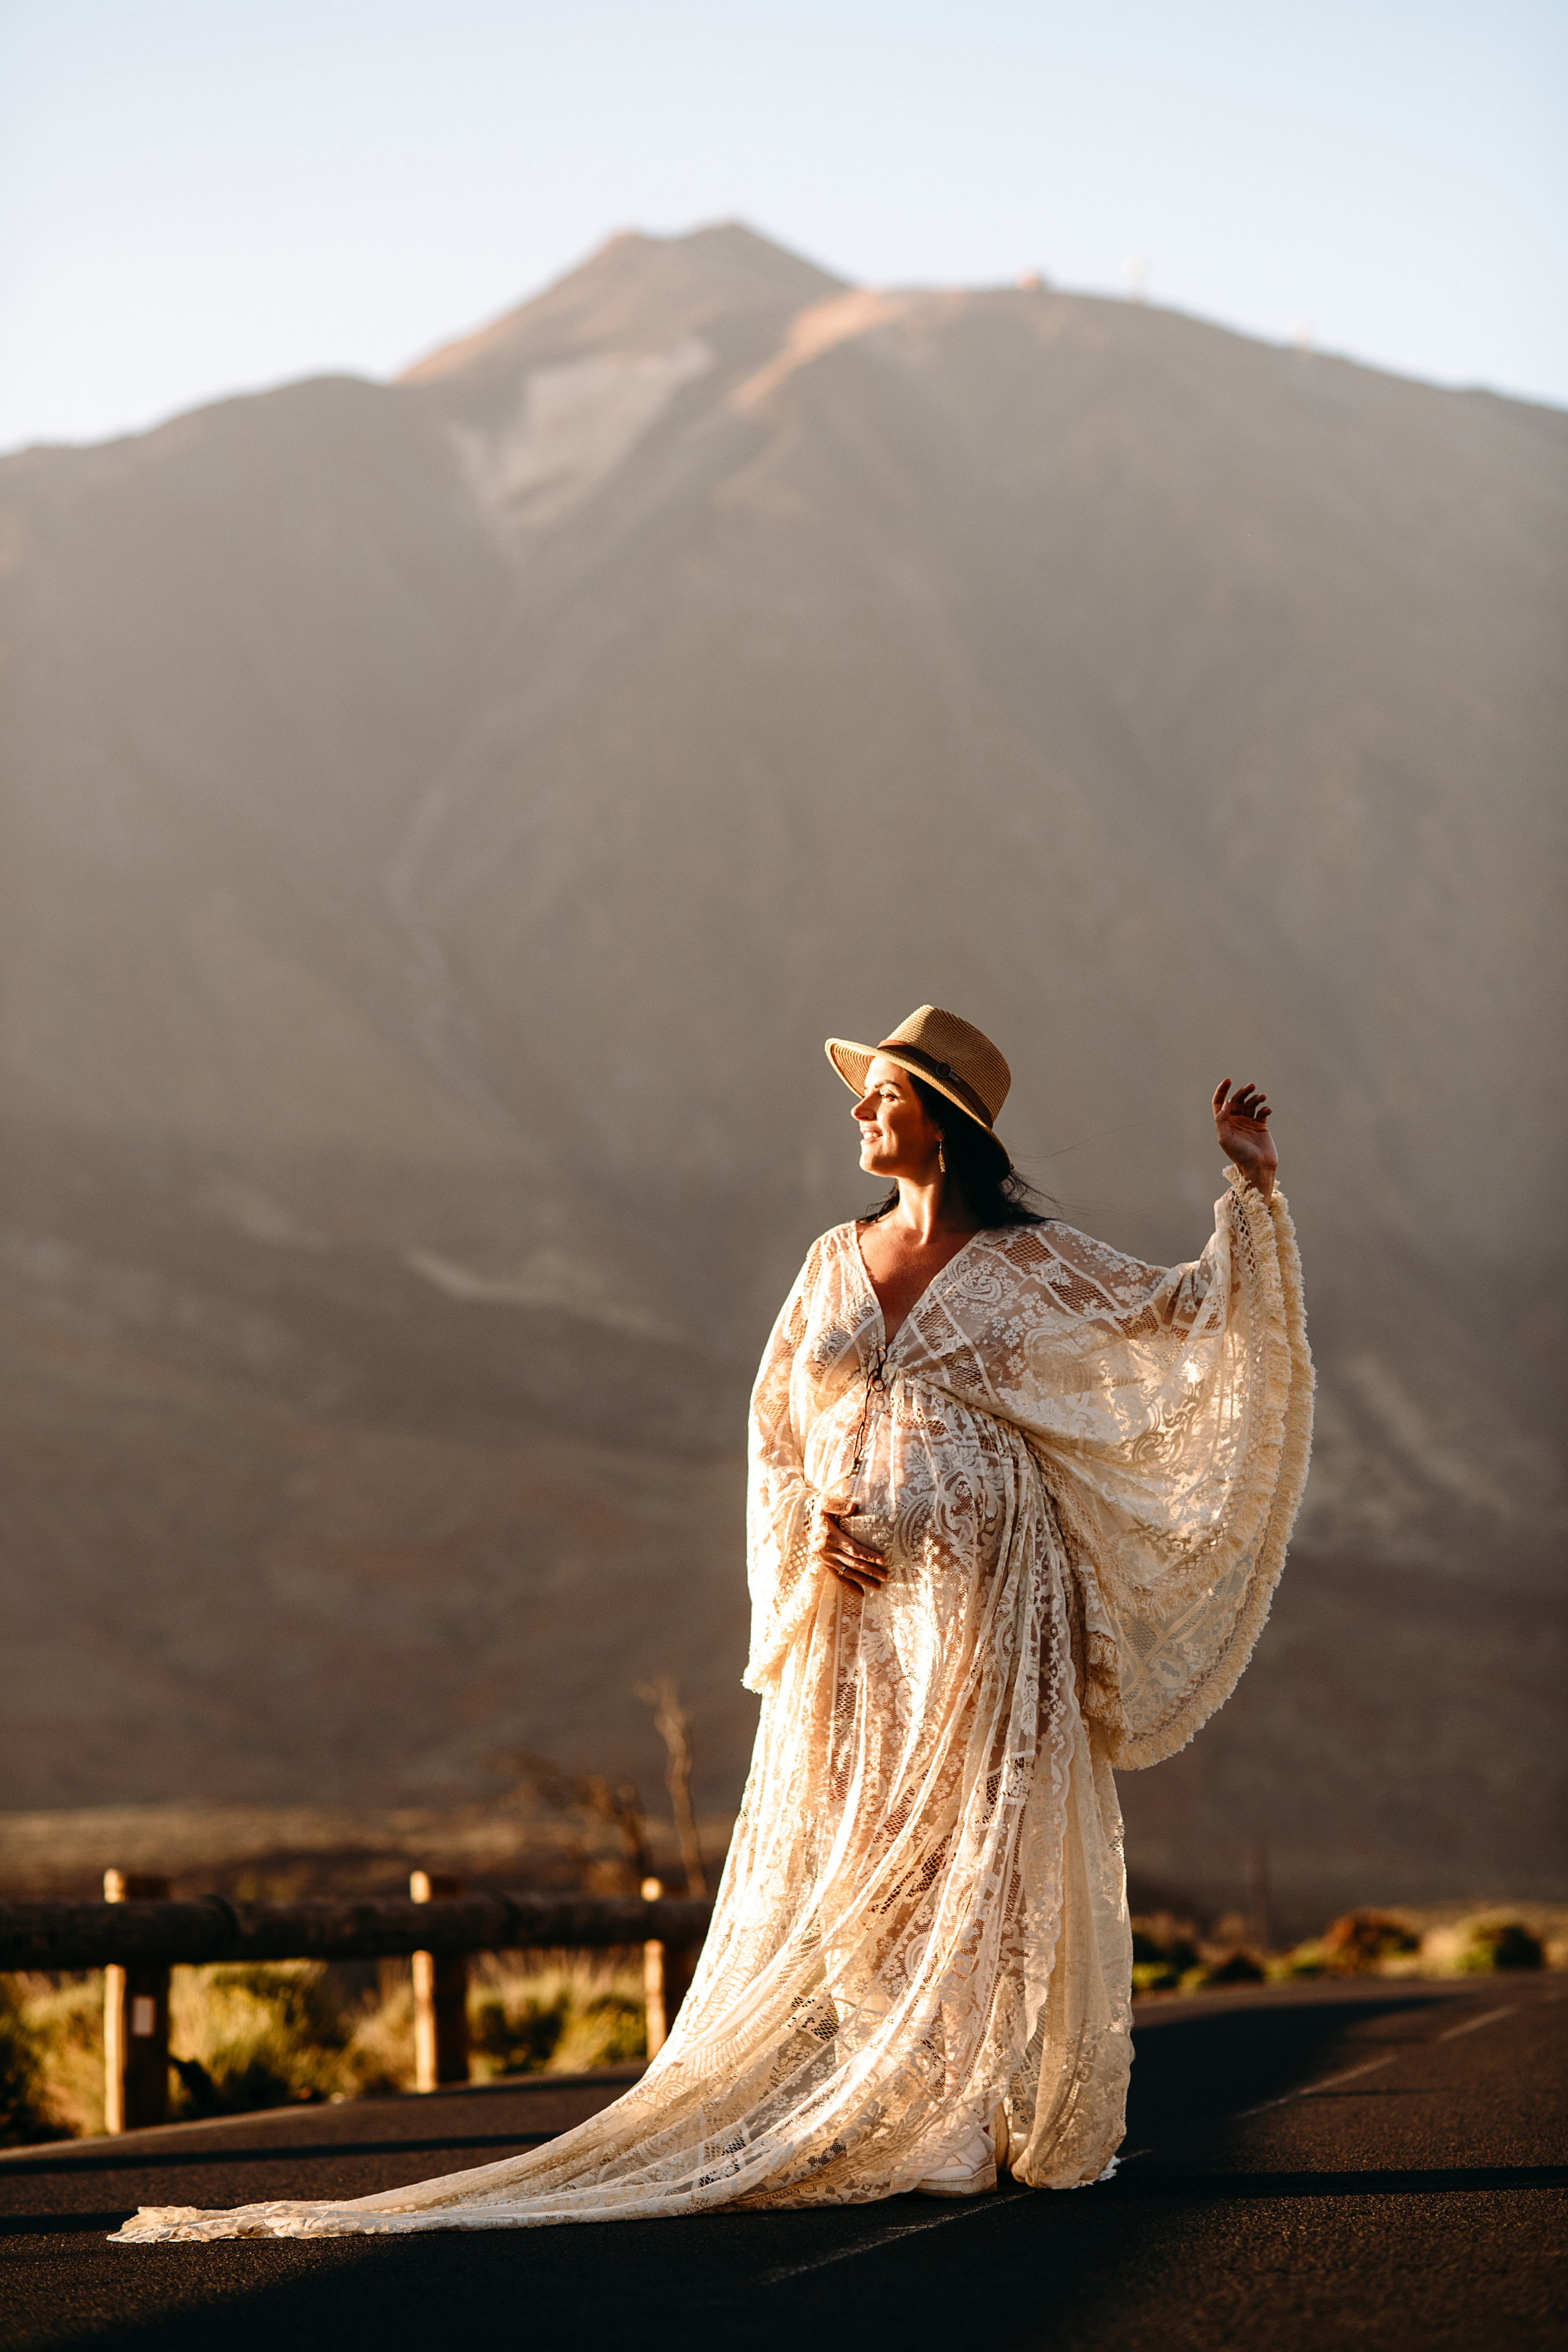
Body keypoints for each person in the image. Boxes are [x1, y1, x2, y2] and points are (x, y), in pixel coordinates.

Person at [113, 1005, 1311, 2241]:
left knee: (973, 1842)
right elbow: (777, 1435)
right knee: (859, 1843)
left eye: (882, 1095)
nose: (859, 1112)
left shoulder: (1029, 1261)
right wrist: (806, 1536)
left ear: (941, 1119)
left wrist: (1248, 1195)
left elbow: (1181, 1319)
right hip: (851, 1602)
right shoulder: (829, 1261)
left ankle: (971, 2107)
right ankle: (916, 2108)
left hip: (985, 1601)